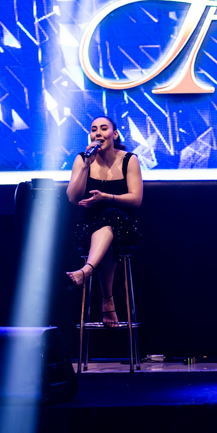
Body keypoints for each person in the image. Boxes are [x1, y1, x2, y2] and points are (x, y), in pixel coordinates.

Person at [65, 116, 143, 325]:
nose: (98, 133)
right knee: (104, 227)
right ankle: (106, 298)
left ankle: (87, 271)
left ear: (114, 134)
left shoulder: (129, 159)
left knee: (111, 216)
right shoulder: (82, 159)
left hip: (123, 224)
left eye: (103, 128)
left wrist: (106, 197)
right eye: (94, 129)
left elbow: (136, 199)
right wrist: (85, 166)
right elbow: (72, 198)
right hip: (89, 226)